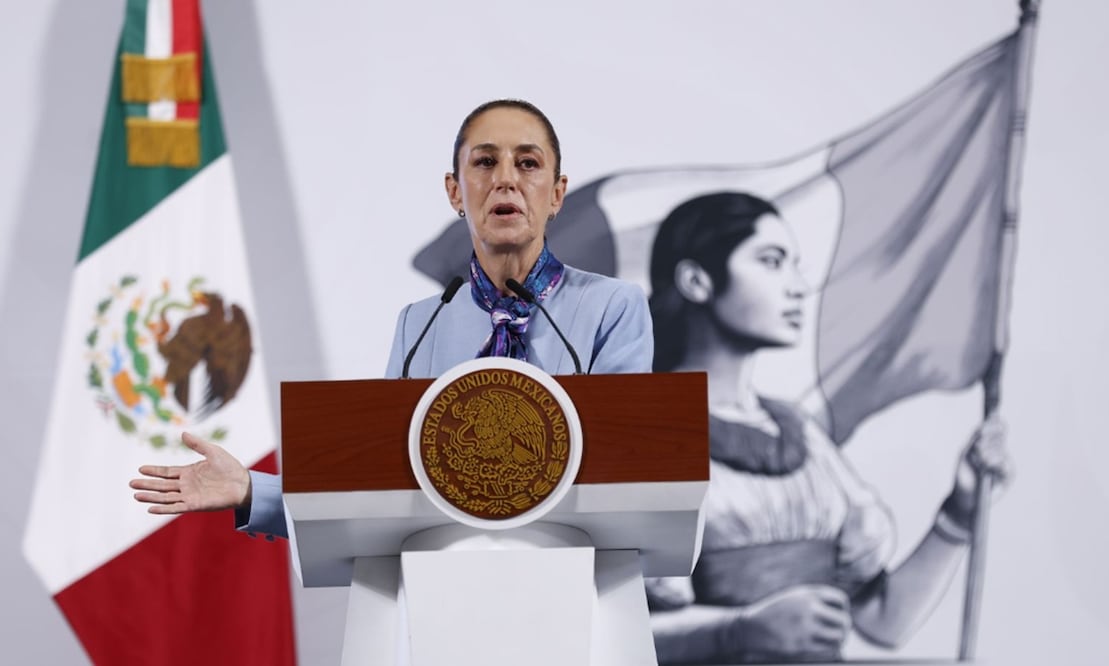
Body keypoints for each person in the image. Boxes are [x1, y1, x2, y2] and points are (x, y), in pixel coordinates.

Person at [130, 99, 653, 538]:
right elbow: (383, 486)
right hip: (444, 596)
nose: (506, 181)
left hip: (571, 586)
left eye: (528, 164)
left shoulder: (612, 308)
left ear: (557, 193)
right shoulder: (421, 324)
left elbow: (626, 472)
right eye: (485, 162)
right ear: (455, 191)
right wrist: (254, 489)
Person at [643, 191, 1011, 664]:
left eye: (795, 264)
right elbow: (607, 634)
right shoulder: (644, 433)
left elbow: (884, 622)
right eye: (772, 261)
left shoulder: (803, 435)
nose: (798, 286)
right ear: (697, 280)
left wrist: (959, 513)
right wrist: (738, 631)